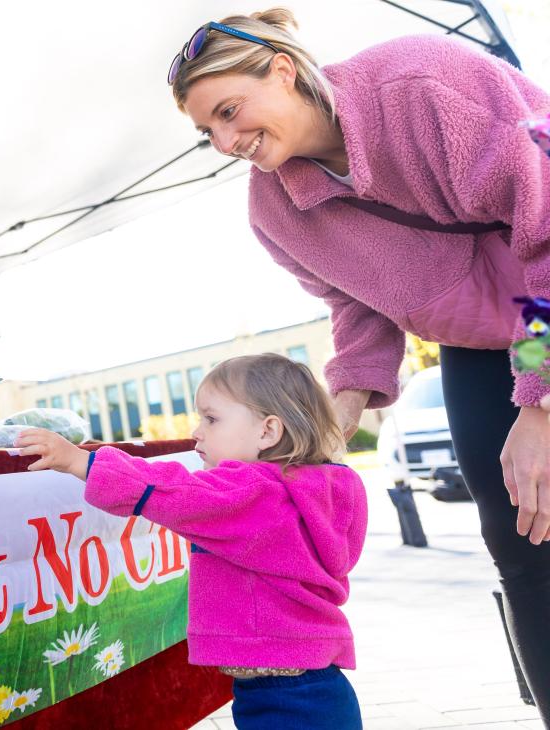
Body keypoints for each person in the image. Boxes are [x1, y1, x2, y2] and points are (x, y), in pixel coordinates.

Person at [167, 10, 550, 718]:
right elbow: (359, 307)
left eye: (228, 111)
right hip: (480, 341)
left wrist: (538, 405)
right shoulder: (273, 208)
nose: (225, 141)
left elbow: (548, 233)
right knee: (517, 536)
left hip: (541, 312)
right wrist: (329, 427)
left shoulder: (420, 87)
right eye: (206, 133)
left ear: (282, 69)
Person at [17, 354, 366, 729]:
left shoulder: (254, 495)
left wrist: (80, 462)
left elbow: (179, 492)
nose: (197, 431)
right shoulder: (306, 491)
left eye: (211, 419)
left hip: (290, 699)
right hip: (305, 686)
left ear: (268, 432)